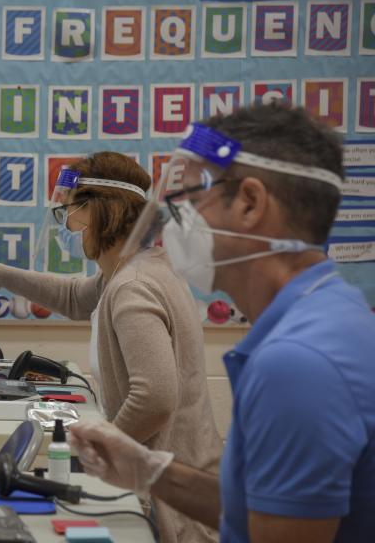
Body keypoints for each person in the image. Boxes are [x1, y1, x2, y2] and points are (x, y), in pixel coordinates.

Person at [69, 106, 375, 541]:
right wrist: (152, 471)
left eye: (193, 201)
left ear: (250, 203)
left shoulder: (298, 362)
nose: (176, 224)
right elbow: (262, 507)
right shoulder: (330, 311)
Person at [0, 151, 221, 542]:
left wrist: (99, 448)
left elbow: (156, 398)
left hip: (168, 502)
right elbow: (76, 297)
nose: (68, 224)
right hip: (172, 481)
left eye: (70, 211)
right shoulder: (136, 269)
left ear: (99, 211)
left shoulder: (133, 286)